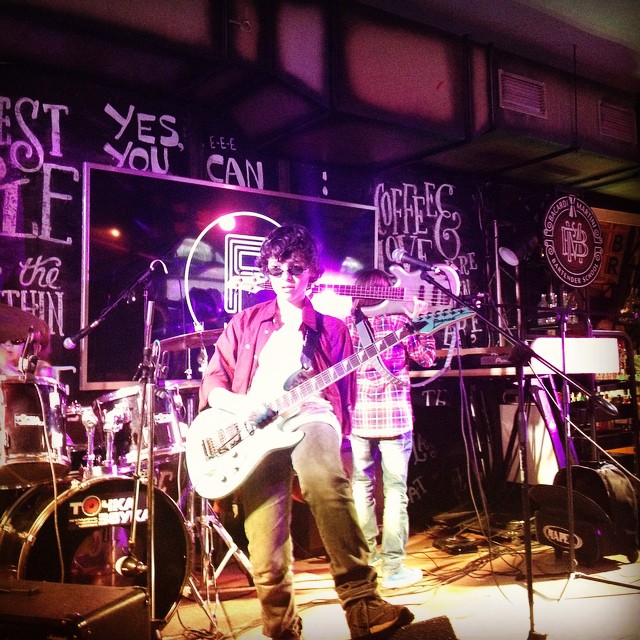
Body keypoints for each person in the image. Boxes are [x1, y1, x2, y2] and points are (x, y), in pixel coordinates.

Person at [198, 224, 414, 640]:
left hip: (311, 414)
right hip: (254, 429)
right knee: (265, 544)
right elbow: (213, 381)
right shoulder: (245, 322)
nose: (286, 277)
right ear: (267, 271)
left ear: (311, 272)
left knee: (325, 482)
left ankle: (363, 605)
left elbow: (343, 395)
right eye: (276, 269)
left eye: (295, 268)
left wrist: (334, 430)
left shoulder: (331, 328)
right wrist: (242, 406)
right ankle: (281, 628)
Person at [344, 269, 437, 589]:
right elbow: (427, 358)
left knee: (361, 488)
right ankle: (394, 569)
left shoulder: (349, 323)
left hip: (359, 418)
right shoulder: (400, 320)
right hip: (395, 416)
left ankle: (368, 560)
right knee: (396, 492)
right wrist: (422, 322)